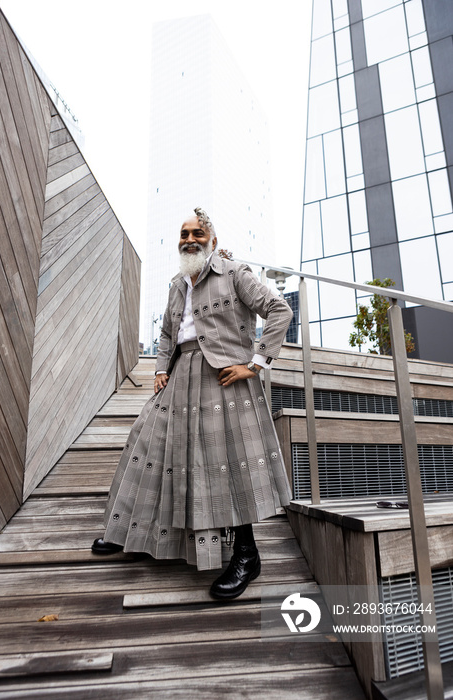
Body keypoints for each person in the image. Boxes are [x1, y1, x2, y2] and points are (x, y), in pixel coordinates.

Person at [92, 207, 293, 600]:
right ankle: (129, 533)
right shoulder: (177, 284)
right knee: (147, 447)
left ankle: (247, 555)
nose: (189, 239)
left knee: (224, 463)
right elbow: (167, 332)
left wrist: (254, 364)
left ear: (212, 240)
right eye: (184, 233)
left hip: (222, 379)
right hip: (179, 376)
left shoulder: (234, 273)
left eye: (197, 233)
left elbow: (278, 310)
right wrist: (159, 369)